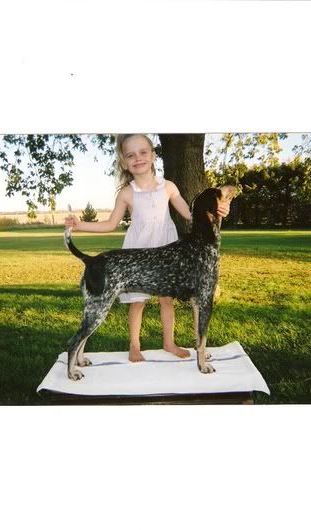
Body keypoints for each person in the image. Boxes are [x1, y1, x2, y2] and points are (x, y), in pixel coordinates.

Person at [64, 134, 230, 362]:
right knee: (137, 301)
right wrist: (80, 225)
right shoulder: (126, 192)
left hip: (166, 248)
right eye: (131, 155)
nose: (138, 158)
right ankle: (134, 346)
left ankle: (169, 343)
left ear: (153, 155)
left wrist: (219, 210)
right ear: (124, 162)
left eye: (143, 152)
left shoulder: (168, 186)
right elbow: (110, 224)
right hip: (139, 250)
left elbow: (192, 215)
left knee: (166, 300)